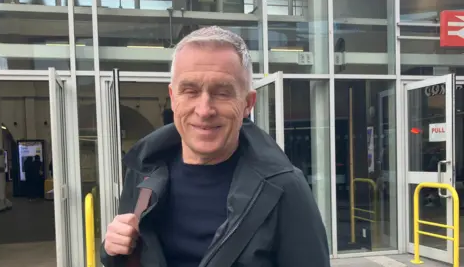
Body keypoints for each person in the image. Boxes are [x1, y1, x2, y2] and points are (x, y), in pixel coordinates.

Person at [101, 26, 330, 267]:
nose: (204, 110)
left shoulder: (284, 188)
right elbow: (127, 257)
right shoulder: (143, 172)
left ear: (247, 103)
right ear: (173, 97)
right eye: (190, 91)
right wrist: (111, 250)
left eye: (222, 93)